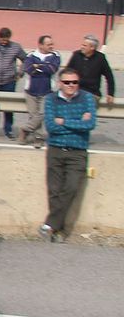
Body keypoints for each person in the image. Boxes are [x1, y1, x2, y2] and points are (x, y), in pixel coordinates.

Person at [42, 70, 95, 242]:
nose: (71, 85)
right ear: (60, 83)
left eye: (74, 82)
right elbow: (51, 126)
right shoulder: (51, 99)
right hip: (55, 150)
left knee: (71, 188)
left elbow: (90, 124)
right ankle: (58, 231)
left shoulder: (87, 98)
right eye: (67, 82)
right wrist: (78, 122)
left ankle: (50, 224)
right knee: (54, 191)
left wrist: (63, 121)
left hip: (77, 151)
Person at [0, 27, 27, 139]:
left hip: (9, 81)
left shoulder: (15, 47)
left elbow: (26, 59)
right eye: (2, 39)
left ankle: (8, 129)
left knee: (9, 108)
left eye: (6, 40)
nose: (4, 42)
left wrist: (20, 73)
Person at [19, 35, 61, 145]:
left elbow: (52, 69)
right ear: (40, 45)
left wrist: (37, 66)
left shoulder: (55, 55)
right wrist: (43, 66)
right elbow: (29, 70)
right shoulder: (31, 55)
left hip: (47, 91)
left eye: (52, 44)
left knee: (43, 114)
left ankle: (25, 129)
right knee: (34, 115)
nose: (51, 46)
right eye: (48, 44)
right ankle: (38, 137)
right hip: (31, 91)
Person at [66, 34, 115, 106]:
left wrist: (110, 93)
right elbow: (66, 73)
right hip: (75, 91)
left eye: (84, 45)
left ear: (92, 47)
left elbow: (109, 76)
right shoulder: (76, 55)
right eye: (82, 45)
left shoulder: (100, 58)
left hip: (92, 93)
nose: (82, 47)